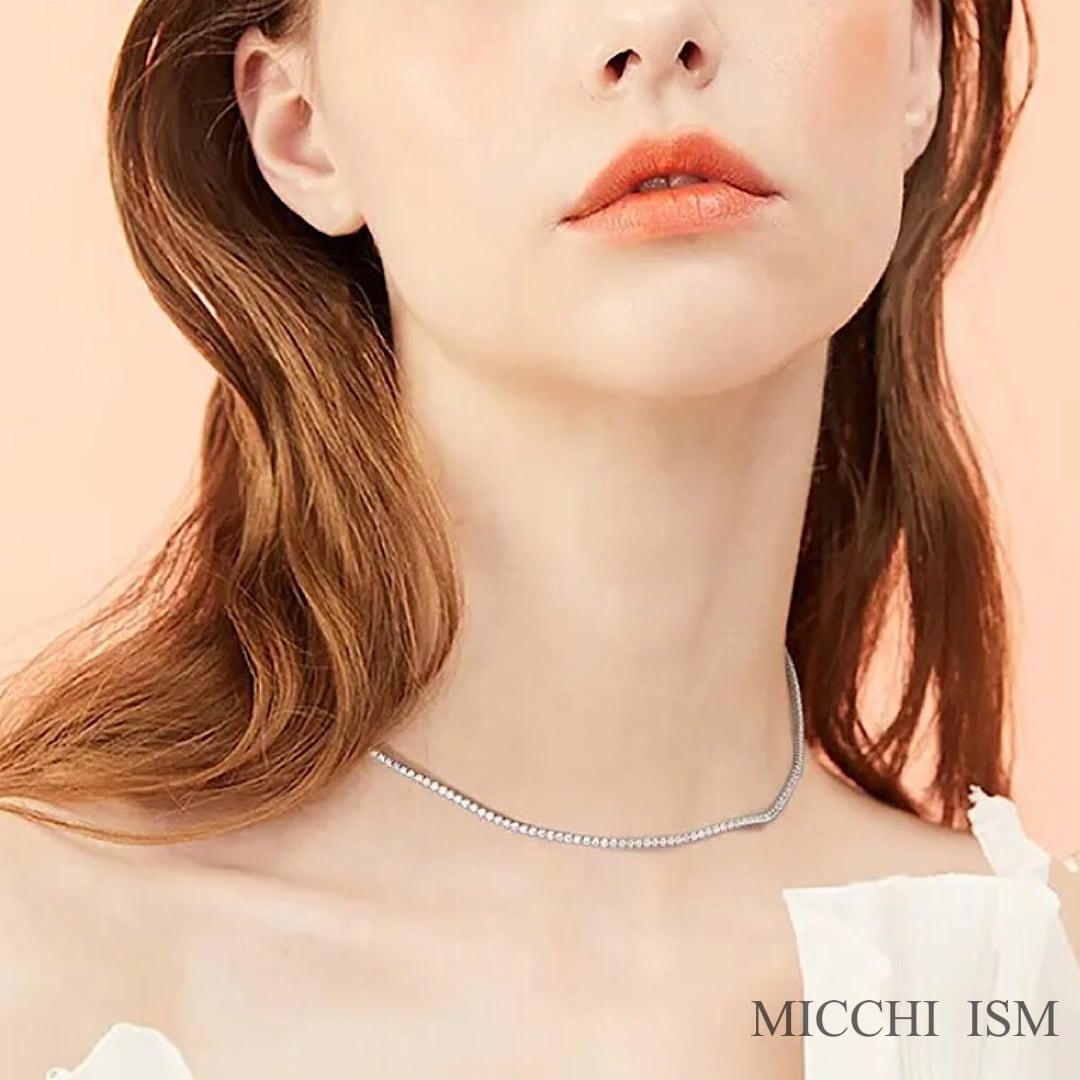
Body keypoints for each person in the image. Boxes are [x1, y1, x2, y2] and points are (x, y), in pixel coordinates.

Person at [0, 0, 1077, 1076]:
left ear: (920, 57)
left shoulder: (1036, 986)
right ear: (300, 127)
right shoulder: (43, 955)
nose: (653, 27)